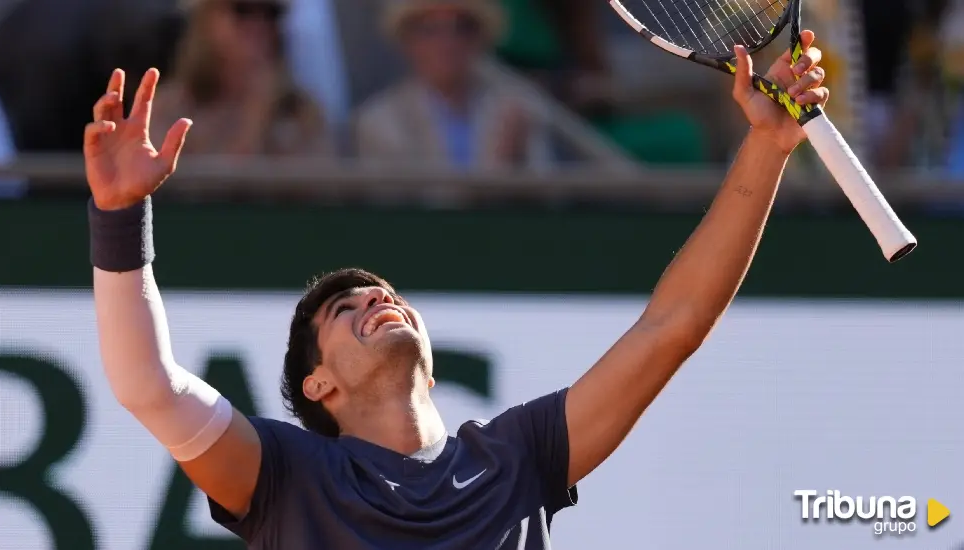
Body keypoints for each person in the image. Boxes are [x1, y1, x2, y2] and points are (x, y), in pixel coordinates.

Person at [83, 30, 829, 549]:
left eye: (386, 296)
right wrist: (119, 217)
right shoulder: (284, 477)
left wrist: (767, 145)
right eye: (347, 309)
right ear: (319, 386)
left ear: (432, 364)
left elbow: (674, 325)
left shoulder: (521, 456)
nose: (379, 300)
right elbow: (147, 384)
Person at [354, 0, 551, 171]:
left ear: (480, 38)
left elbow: (548, 195)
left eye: (461, 27)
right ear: (407, 41)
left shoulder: (517, 108)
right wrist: (497, 165)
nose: (447, 42)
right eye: (430, 28)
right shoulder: (378, 122)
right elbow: (399, 207)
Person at [150, 0, 331, 157]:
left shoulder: (303, 113)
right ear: (207, 19)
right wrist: (252, 122)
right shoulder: (171, 109)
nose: (258, 24)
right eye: (242, 9)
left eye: (271, 13)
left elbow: (320, 188)